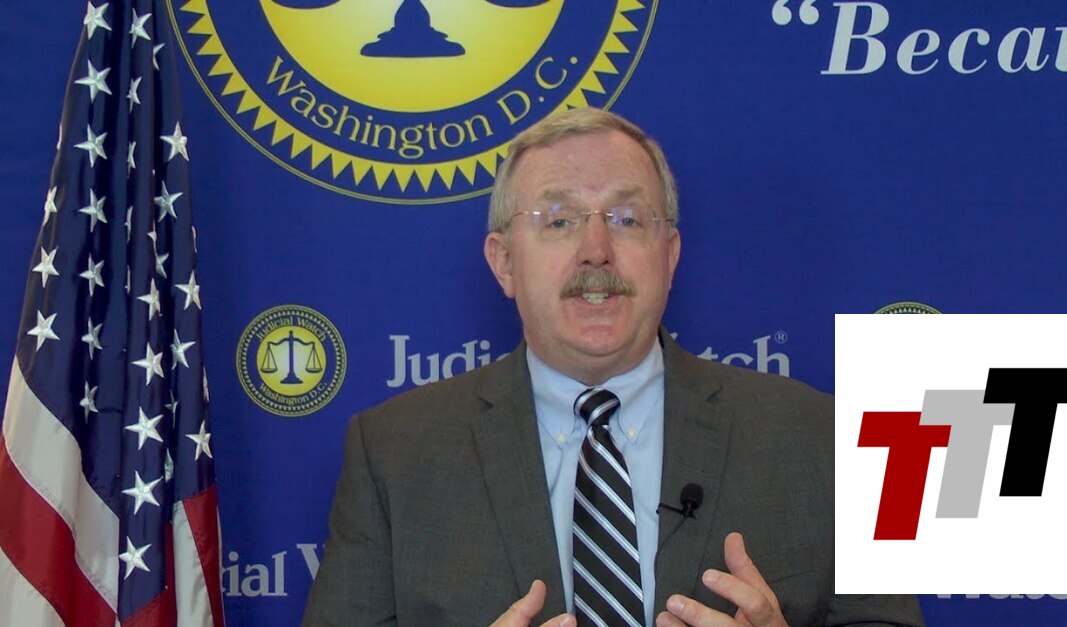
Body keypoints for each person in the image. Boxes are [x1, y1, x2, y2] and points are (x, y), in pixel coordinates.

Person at [302, 108, 924, 627]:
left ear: (669, 255)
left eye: (627, 220)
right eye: (559, 221)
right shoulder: (393, 454)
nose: (596, 251)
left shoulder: (820, 437)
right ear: (504, 262)